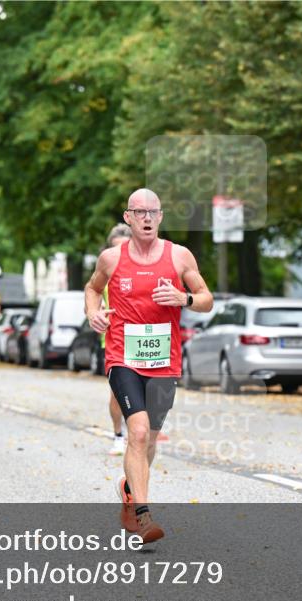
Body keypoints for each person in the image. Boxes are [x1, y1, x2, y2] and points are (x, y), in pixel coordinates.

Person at [85, 188, 213, 543]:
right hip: (122, 357)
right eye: (138, 212)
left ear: (160, 217)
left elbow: (206, 299)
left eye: (152, 212)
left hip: (164, 360)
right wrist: (93, 314)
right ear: (128, 218)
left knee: (150, 439)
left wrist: (184, 298)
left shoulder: (179, 256)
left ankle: (129, 488)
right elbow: (93, 289)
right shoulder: (112, 259)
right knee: (137, 432)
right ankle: (143, 517)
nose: (145, 218)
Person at [102, 223, 133, 455]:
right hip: (115, 338)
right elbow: (91, 295)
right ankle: (118, 435)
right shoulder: (106, 268)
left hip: (142, 339)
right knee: (116, 392)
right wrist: (95, 313)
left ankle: (138, 432)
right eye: (116, 249)